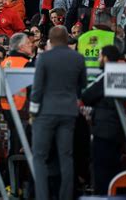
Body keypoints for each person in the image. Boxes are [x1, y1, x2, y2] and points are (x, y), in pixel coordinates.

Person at [30, 26, 87, 200]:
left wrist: (33, 112)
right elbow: (82, 85)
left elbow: (37, 88)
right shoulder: (78, 58)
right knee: (66, 157)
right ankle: (66, 196)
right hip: (69, 111)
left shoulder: (44, 58)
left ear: (50, 40)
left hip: (46, 111)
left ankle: (42, 196)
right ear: (66, 38)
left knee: (39, 157)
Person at [81, 45, 123, 195]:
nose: (98, 59)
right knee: (112, 169)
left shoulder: (107, 75)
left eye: (99, 56)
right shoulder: (120, 75)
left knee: (101, 170)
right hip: (117, 130)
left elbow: (87, 95)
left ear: (105, 58)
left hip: (104, 130)